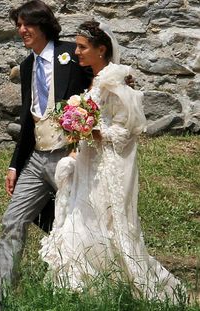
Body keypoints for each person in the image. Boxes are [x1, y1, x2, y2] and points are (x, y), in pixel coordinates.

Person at [39, 20, 185, 302]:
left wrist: (91, 130)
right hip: (86, 162)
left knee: (104, 222)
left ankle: (117, 284)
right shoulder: (91, 80)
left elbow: (126, 131)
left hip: (106, 166)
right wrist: (76, 140)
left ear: (101, 49)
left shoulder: (113, 80)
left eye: (82, 47)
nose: (77, 51)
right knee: (78, 220)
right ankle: (82, 288)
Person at [0, 0, 92, 286]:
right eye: (19, 25)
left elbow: (97, 87)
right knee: (12, 220)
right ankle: (0, 291)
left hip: (70, 155)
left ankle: (83, 279)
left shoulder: (70, 54)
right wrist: (15, 166)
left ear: (43, 26)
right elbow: (28, 121)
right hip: (38, 158)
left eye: (27, 24)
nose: (21, 30)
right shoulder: (27, 66)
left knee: (81, 221)